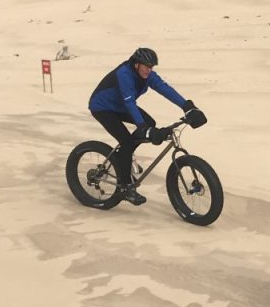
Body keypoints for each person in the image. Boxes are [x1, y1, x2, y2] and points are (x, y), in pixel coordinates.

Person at [88, 47, 206, 206]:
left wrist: (187, 106)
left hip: (120, 106)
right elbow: (130, 102)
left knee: (149, 125)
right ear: (136, 64)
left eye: (152, 67)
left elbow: (164, 88)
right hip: (102, 108)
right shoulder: (124, 74)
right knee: (128, 141)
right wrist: (142, 127)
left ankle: (124, 157)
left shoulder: (147, 75)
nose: (149, 70)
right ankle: (124, 187)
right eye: (147, 66)